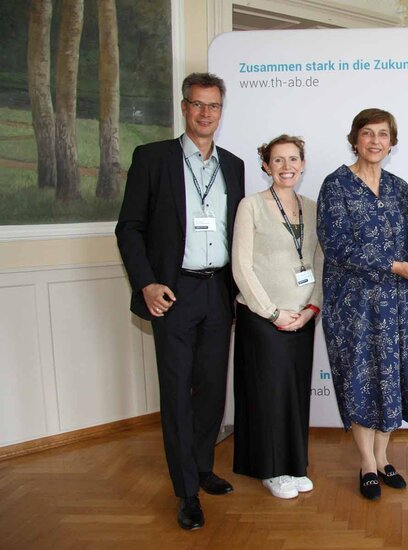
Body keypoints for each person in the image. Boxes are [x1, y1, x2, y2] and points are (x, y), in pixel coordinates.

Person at [116, 73, 244, 530]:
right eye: (197, 105)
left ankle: (204, 467)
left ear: (221, 112)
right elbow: (129, 228)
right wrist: (147, 283)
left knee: (211, 389)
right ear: (184, 108)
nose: (205, 113)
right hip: (173, 292)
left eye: (213, 106)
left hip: (218, 291)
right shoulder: (153, 158)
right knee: (177, 392)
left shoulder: (233, 164)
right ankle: (186, 490)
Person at [316, 108, 408, 501]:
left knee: (394, 376)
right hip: (354, 305)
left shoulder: (401, 189)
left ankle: (384, 458)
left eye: (383, 134)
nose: (376, 141)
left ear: (392, 142)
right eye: (367, 133)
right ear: (355, 139)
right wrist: (392, 265)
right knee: (360, 376)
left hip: (400, 302)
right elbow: (337, 246)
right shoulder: (335, 185)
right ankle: (366, 463)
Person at [231, 135, 323, 499]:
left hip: (302, 318)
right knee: (267, 394)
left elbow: (318, 261)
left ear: (303, 164)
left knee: (294, 395)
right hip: (263, 317)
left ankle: (293, 465)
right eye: (278, 160)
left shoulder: (313, 207)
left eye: (294, 159)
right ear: (266, 166)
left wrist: (311, 308)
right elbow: (241, 265)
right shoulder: (250, 206)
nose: (287, 167)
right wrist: (271, 312)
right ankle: (270, 469)